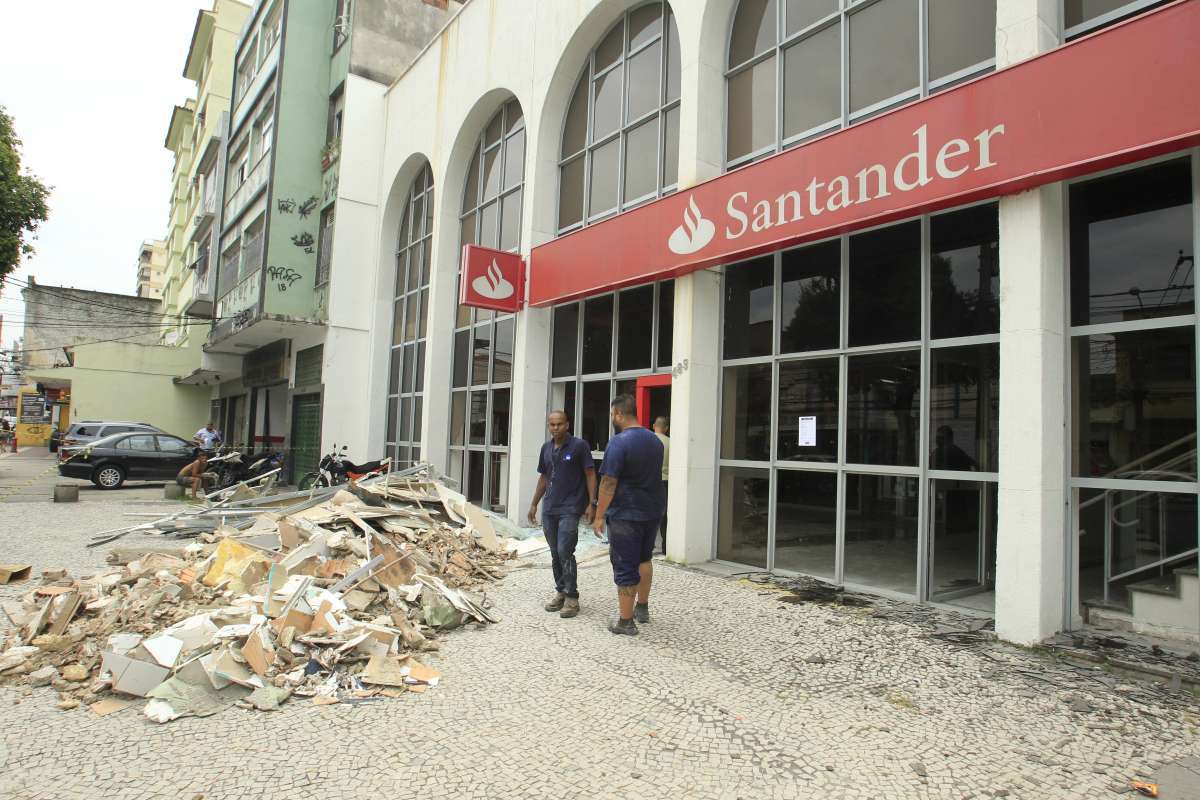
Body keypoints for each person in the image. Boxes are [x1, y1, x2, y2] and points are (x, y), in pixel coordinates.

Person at [592, 395, 665, 636]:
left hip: (626, 513)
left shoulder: (618, 443)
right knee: (644, 559)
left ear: (620, 414)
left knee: (624, 565)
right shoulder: (655, 441)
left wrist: (599, 515)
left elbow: (608, 483)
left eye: (613, 414)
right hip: (652, 510)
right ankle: (642, 608)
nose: (612, 418)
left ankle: (625, 621)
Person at [528, 411, 596, 619]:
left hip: (571, 507)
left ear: (567, 425)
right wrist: (534, 504)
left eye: (559, 424)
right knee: (555, 552)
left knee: (565, 550)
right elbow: (543, 477)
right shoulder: (546, 448)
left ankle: (572, 597)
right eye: (552, 424)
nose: (555, 428)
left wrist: (592, 503)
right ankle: (561, 591)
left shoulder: (579, 446)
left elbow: (591, 474)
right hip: (550, 508)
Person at [652, 416, 670, 555]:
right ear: (666, 428)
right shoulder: (671, 442)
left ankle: (648, 545)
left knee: (649, 513)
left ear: (654, 426)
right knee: (664, 516)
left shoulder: (647, 440)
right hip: (665, 481)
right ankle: (665, 547)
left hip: (649, 481)